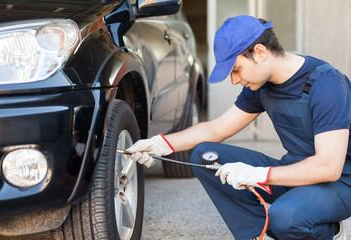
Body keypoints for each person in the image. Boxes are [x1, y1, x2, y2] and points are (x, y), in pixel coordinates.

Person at [124, 15, 351, 240]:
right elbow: (218, 128)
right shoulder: (260, 88)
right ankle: (258, 234)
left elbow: (328, 167)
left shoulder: (326, 84)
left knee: (284, 218)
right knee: (205, 157)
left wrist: (259, 175)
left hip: (339, 182)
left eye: (236, 69)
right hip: (294, 169)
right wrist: (161, 144)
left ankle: (327, 231)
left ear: (260, 53)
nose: (234, 80)